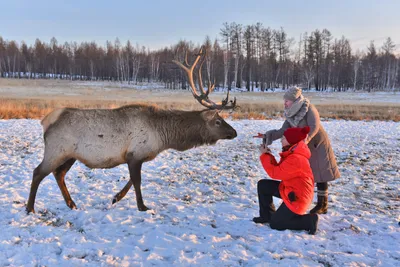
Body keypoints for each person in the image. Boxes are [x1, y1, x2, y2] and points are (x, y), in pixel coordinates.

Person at [258, 87, 340, 214]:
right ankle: (305, 200)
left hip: (316, 143)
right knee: (309, 172)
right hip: (302, 144)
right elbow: (282, 131)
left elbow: (314, 127)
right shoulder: (290, 113)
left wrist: (305, 141)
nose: (284, 103)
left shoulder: (309, 109)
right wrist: (267, 136)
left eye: (287, 101)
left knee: (320, 173)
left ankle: (322, 204)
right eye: (284, 101)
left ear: (295, 100)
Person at [253, 126, 318, 235]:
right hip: (290, 189)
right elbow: (280, 169)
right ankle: (266, 215)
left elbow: (275, 173)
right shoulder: (292, 152)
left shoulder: (296, 158)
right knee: (263, 185)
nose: (281, 140)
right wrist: (268, 155)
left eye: (283, 138)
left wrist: (264, 155)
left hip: (297, 198)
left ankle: (309, 221)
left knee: (276, 224)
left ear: (290, 141)